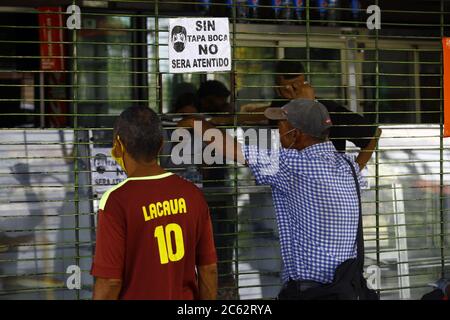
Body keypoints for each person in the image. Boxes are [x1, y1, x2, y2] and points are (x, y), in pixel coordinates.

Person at [178, 99, 364, 299]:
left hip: (311, 292)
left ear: (296, 133)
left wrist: (196, 122)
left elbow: (230, 148)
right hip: (345, 287)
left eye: (280, 124)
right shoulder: (349, 166)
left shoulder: (293, 165)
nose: (276, 130)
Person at [91, 106, 217, 300]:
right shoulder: (192, 194)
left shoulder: (116, 201)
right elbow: (208, 269)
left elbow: (110, 282)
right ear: (161, 145)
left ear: (118, 146)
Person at [270, 59, 381, 170]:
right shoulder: (277, 108)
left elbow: (373, 134)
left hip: (326, 177)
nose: (293, 93)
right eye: (287, 89)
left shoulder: (330, 110)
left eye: (297, 87)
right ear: (278, 90)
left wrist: (353, 173)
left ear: (306, 85)